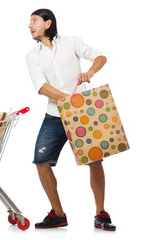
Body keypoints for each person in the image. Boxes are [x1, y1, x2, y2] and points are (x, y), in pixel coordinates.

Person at [25, 9, 116, 231]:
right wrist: (69, 101)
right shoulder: (32, 55)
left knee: (94, 161)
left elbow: (100, 56)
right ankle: (57, 214)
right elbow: (42, 87)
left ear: (48, 23)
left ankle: (100, 213)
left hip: (83, 114)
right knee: (41, 162)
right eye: (29, 22)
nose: (30, 26)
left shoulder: (71, 42)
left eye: (34, 21)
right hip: (55, 116)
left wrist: (90, 72)